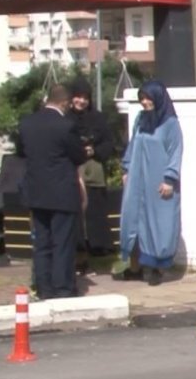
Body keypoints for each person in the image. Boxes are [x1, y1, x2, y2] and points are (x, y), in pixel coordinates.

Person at [17, 84, 88, 299]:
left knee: (42, 242)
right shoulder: (66, 125)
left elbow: (22, 152)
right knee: (63, 243)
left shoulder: (27, 124)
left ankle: (43, 287)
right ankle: (63, 288)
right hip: (62, 192)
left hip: (37, 191)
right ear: (65, 103)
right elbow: (78, 156)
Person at [116, 81, 183, 286]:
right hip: (137, 178)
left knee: (158, 224)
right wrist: (127, 168)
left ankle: (156, 269)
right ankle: (136, 267)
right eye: (141, 98)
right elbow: (133, 144)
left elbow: (176, 151)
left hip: (159, 181)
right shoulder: (141, 119)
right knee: (133, 220)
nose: (145, 102)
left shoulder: (171, 124)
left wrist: (170, 179)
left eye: (148, 98)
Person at [68, 77, 116, 261]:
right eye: (78, 97)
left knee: (95, 211)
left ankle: (98, 248)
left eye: (85, 98)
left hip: (94, 171)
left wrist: (93, 150)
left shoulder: (97, 118)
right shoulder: (65, 118)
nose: (81, 101)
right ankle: (78, 251)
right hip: (73, 171)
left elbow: (109, 143)